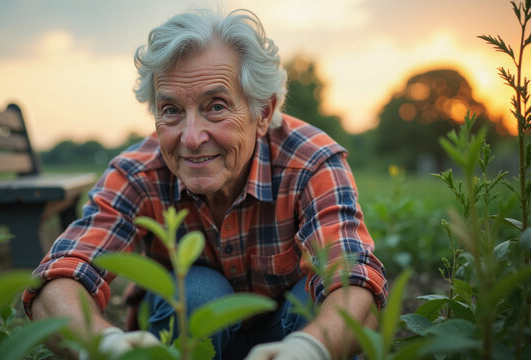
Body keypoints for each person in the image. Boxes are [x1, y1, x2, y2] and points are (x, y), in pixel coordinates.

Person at [23, 8, 387, 360]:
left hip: (291, 337)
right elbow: (62, 276)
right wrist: (102, 345)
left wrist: (313, 349)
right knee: (197, 291)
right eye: (171, 111)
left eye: (215, 106)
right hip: (186, 346)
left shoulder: (312, 162)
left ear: (262, 112)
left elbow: (353, 277)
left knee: (315, 302)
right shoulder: (138, 173)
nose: (191, 137)